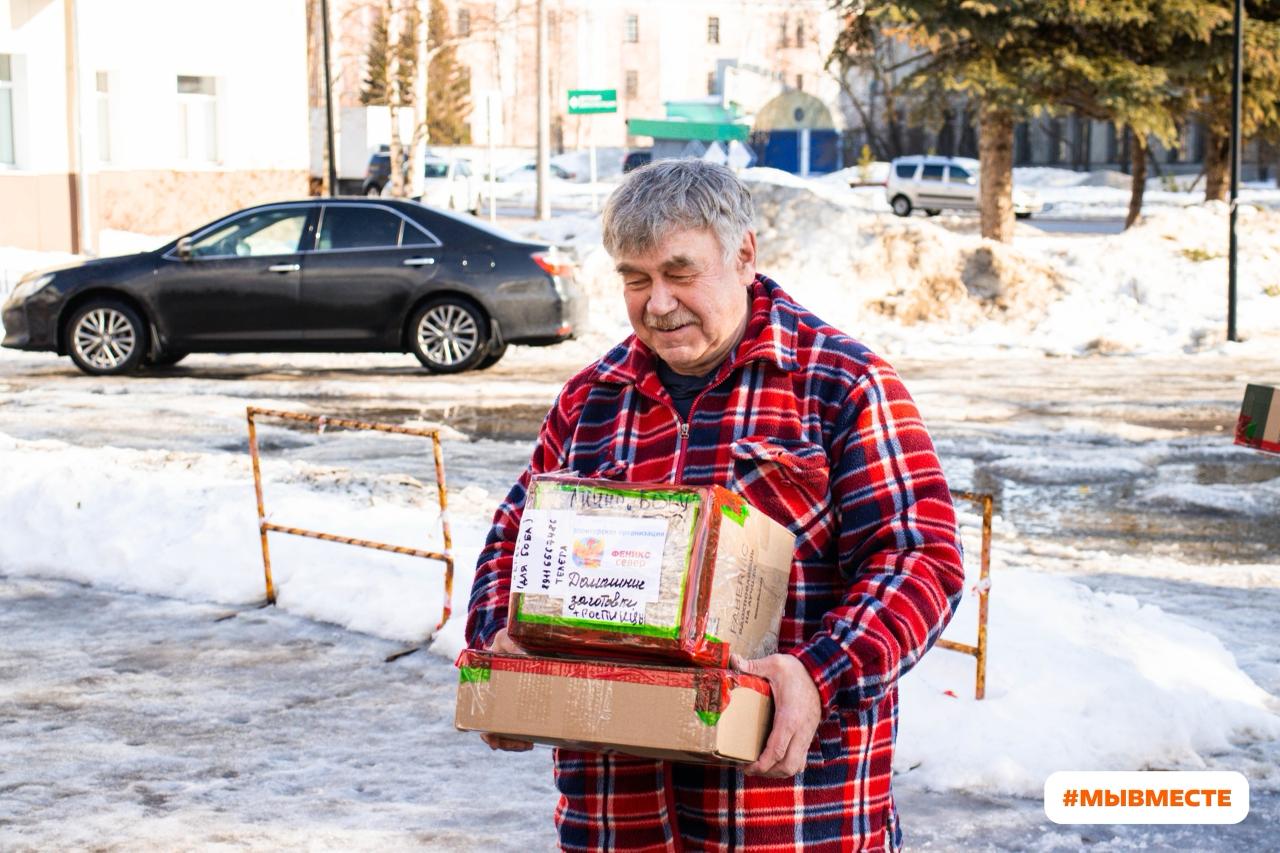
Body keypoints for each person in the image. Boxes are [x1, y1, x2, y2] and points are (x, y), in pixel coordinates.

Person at [466, 159, 965, 851]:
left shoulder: (842, 385)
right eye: (635, 280)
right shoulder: (591, 400)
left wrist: (821, 673)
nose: (658, 304)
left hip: (788, 820)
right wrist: (500, 640)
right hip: (618, 823)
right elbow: (512, 538)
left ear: (744, 256)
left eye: (680, 273)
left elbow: (921, 558)